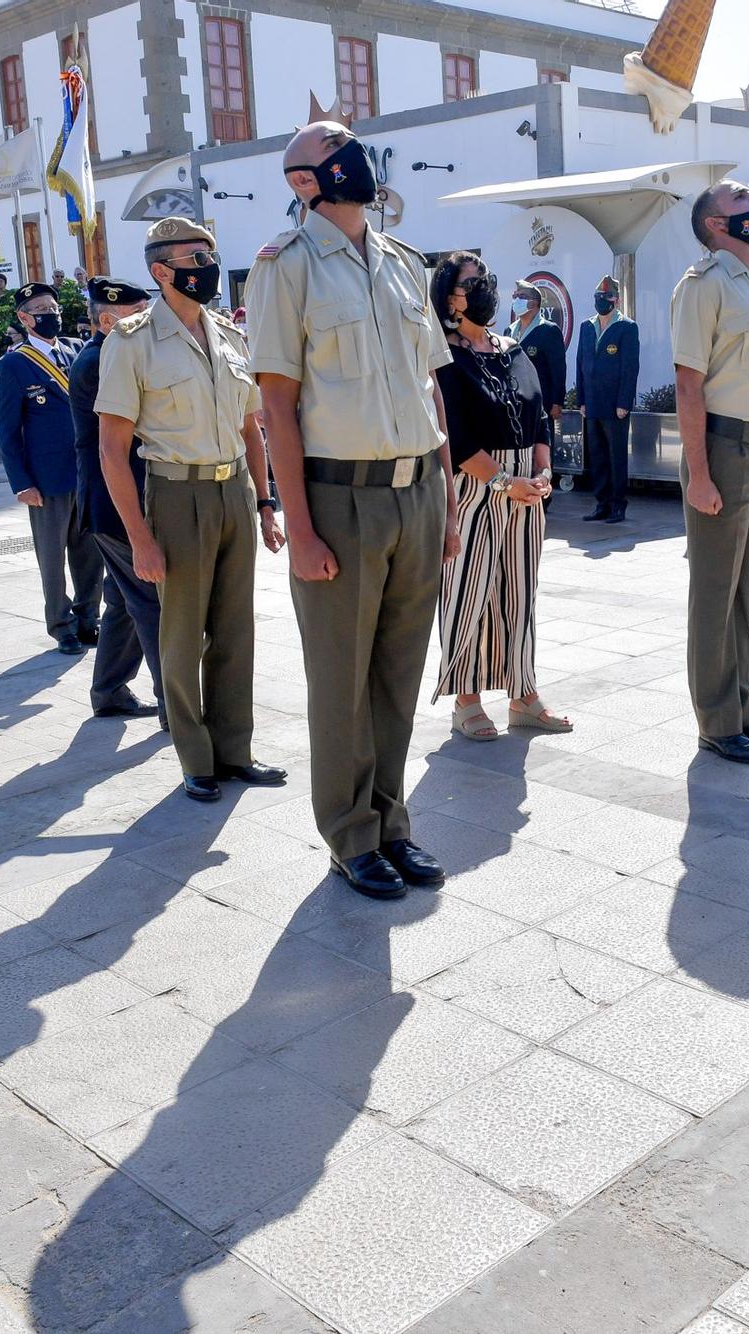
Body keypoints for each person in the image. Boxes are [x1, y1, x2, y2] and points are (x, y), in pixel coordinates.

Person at [248, 119, 460, 900]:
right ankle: (348, 834)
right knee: (342, 680)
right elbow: (276, 403)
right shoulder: (286, 266)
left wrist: (445, 500)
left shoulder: (404, 263)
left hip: (418, 494)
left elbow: (431, 385)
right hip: (340, 498)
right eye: (335, 149)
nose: (354, 158)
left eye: (353, 144)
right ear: (305, 180)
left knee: (398, 674)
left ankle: (390, 822)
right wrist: (298, 526)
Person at [98, 222, 291, 801]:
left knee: (236, 628)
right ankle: (195, 756)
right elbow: (113, 448)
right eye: (195, 257)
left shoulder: (230, 335)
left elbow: (250, 428)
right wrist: (141, 538)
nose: (207, 264)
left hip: (234, 490)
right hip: (177, 494)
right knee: (182, 633)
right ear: (161, 272)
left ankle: (235, 749)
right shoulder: (131, 340)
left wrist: (264, 503)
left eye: (210, 253)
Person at [672, 180, 749, 766]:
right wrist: (698, 475)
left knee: (743, 596)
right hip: (723, 450)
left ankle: (744, 710)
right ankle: (716, 721)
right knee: (715, 595)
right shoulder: (703, 287)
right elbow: (689, 384)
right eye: (739, 199)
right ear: (718, 225)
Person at [430, 253, 570, 741]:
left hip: (526, 491)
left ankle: (523, 695)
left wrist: (543, 471)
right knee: (468, 591)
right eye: (474, 283)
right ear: (451, 298)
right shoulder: (444, 357)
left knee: (519, 593)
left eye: (487, 279)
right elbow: (456, 437)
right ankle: (465, 700)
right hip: (475, 487)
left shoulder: (512, 348)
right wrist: (505, 483)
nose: (486, 288)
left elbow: (539, 419)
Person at [72, 278, 165, 725]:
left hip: (112, 500)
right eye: (139, 313)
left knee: (124, 600)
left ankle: (109, 689)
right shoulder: (101, 360)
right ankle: (177, 706)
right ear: (107, 320)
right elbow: (119, 444)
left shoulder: (110, 353)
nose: (148, 321)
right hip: (116, 503)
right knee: (152, 602)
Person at [0, 282, 103, 656]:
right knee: (53, 557)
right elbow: (6, 430)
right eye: (41, 308)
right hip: (46, 479)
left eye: (53, 307)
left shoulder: (77, 350)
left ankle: (89, 618)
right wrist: (21, 483)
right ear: (25, 318)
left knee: (91, 553)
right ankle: (62, 625)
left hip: (86, 472)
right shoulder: (13, 364)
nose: (51, 314)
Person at [574, 275, 640, 522]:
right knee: (597, 455)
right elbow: (580, 363)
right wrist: (581, 399)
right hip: (592, 402)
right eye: (598, 298)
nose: (602, 302)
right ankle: (601, 503)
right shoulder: (586, 326)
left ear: (616, 300)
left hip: (615, 405)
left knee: (616, 456)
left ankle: (618, 505)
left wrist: (625, 402)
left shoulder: (627, 327)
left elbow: (630, 367)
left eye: (606, 298)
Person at [507, 281, 567, 443]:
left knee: (542, 447)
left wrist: (557, 402)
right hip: (513, 402)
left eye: (521, 297)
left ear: (534, 303)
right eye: (515, 296)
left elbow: (558, 369)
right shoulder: (509, 330)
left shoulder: (548, 330)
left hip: (541, 402)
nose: (516, 300)